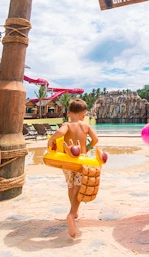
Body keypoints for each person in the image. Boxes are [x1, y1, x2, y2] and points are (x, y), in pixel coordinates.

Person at [47, 98, 99, 237]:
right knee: (79, 187)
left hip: (67, 162)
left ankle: (73, 210)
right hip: (80, 162)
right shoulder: (85, 126)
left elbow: (60, 133)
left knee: (70, 186)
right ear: (84, 114)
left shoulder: (67, 125)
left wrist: (51, 139)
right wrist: (86, 148)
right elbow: (95, 140)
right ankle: (72, 213)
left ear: (69, 113)